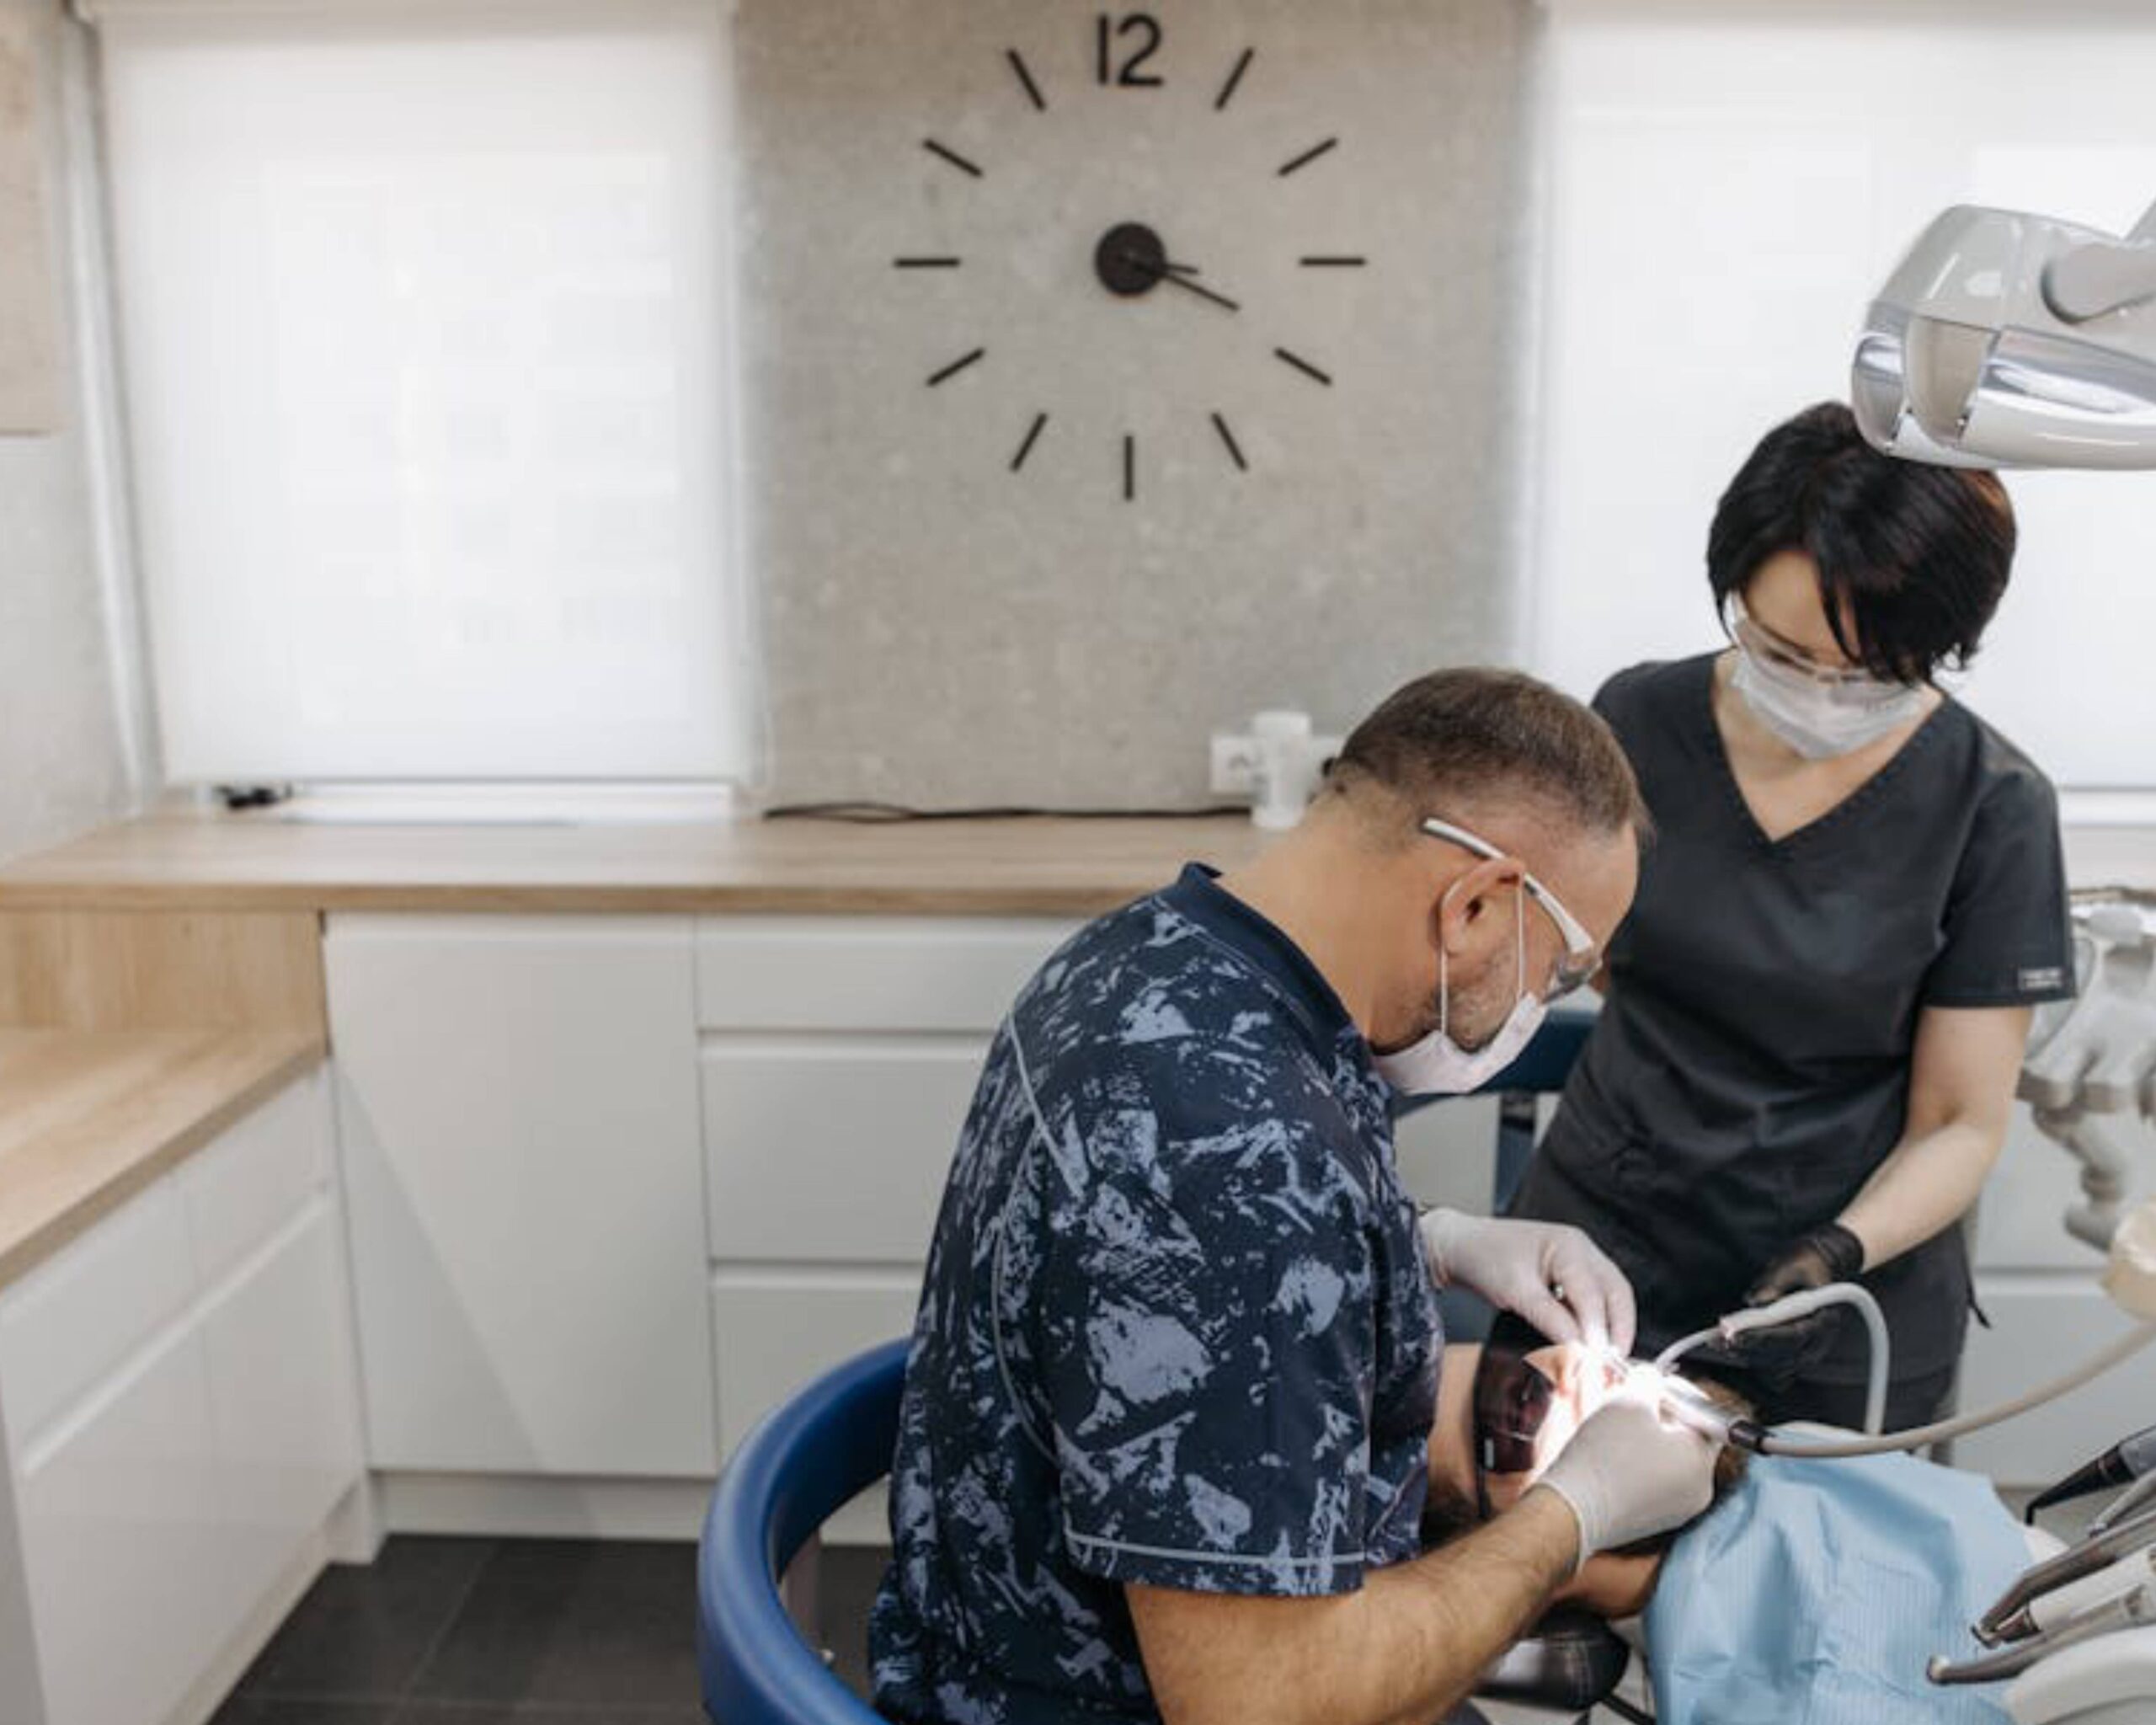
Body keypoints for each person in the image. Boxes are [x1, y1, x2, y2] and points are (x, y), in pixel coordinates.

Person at [868, 669, 1724, 1725]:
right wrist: (1574, 1515)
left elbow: (1158, 1257)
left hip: (980, 1630)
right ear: (1472, 907)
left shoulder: (1148, 960)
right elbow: (1268, 1709)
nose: (1545, 1002)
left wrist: (1422, 1246)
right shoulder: (1240, 1160)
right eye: (1558, 970)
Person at [1506, 400, 2076, 1430]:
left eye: (1861, 672)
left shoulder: (1992, 806)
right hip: (1600, 1241)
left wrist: (1836, 1252)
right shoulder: (1635, 719)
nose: (1814, 690)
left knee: (1799, 1575)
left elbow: (1959, 1119)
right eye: (1776, 648)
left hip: (1843, 1291)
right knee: (1541, 1549)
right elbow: (1571, 954)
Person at [1422, 1322, 2036, 1725]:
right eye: (1519, 1404)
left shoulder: (1802, 1454)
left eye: (1518, 1343)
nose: (1576, 1360)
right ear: (1512, 1570)